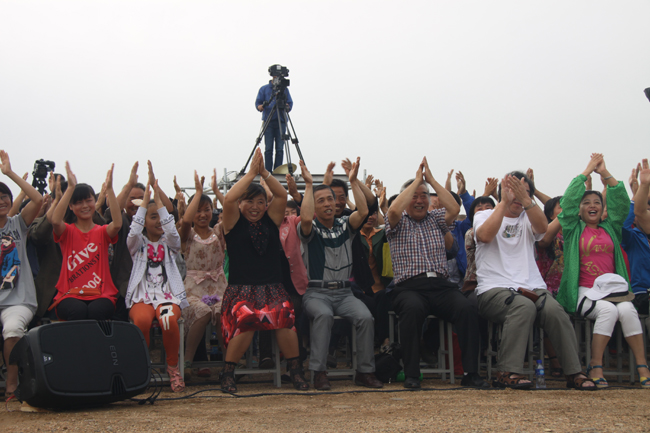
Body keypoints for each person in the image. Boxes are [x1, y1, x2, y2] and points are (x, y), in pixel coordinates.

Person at [474, 171, 595, 390]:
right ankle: (507, 371)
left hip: (532, 287)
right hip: (494, 289)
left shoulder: (528, 217)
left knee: (556, 311)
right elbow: (484, 236)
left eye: (525, 192)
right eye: (514, 191)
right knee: (522, 307)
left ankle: (574, 371)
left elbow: (542, 230)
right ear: (502, 193)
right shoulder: (485, 215)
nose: (520, 197)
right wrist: (504, 202)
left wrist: (527, 200)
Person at [386, 158, 488, 389]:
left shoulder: (436, 219)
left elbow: (454, 207)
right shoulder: (397, 222)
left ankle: (471, 373)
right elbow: (393, 209)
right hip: (409, 286)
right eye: (414, 196)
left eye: (424, 196)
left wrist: (429, 180)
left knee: (467, 309)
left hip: (441, 286)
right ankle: (412, 374)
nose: (420, 200)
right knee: (411, 310)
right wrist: (415, 183)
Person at [556, 154, 650, 389]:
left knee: (628, 310)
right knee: (608, 311)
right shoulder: (571, 228)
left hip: (614, 290)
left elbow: (619, 202)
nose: (592, 206)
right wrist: (587, 171)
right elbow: (566, 203)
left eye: (597, 202)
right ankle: (595, 365)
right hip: (584, 290)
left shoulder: (611, 228)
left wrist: (605, 173)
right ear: (579, 209)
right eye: (586, 202)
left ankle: (642, 366)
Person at [219, 148, 308, 392]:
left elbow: (280, 196)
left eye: (260, 202)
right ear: (241, 203)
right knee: (248, 317)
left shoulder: (271, 220)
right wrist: (250, 175)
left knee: (285, 317)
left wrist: (265, 173)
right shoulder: (232, 223)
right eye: (250, 201)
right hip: (240, 292)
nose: (256, 207)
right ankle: (228, 373)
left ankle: (295, 370)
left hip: (272, 288)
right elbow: (227, 199)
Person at [300, 157, 383, 390]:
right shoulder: (310, 227)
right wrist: (308, 186)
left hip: (345, 293)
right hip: (316, 293)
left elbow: (364, 210)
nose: (328, 203)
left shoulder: (345, 224)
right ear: (314, 205)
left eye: (331, 199)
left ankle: (365, 372)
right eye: (322, 200)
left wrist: (353, 181)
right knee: (324, 316)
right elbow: (305, 217)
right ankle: (319, 372)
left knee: (365, 317)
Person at [126, 180, 188, 392]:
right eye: (153, 217)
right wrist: (145, 202)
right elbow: (133, 232)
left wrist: (160, 204)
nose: (159, 222)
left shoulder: (171, 244)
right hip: (142, 297)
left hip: (167, 297)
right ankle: (142, 369)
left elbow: (172, 230)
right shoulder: (137, 244)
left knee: (169, 320)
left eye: (161, 217)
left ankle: (173, 368)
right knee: (141, 321)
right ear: (143, 221)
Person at [50, 162, 121, 321]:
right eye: (78, 202)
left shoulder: (102, 231)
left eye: (88, 201)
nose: (84, 206)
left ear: (94, 202)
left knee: (97, 311)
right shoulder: (67, 231)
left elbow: (117, 223)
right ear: (71, 206)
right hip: (69, 295)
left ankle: (97, 346)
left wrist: (110, 189)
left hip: (101, 293)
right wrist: (70, 188)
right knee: (77, 311)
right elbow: (55, 221)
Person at [0, 150, 43, 401]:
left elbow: (37, 200)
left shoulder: (17, 224)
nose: (2, 201)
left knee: (14, 329)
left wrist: (9, 173)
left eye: (4, 197)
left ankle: (11, 387)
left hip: (18, 300)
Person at [179, 171, 227, 376]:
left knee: (223, 311)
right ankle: (188, 361)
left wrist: (216, 190)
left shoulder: (219, 231)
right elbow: (186, 221)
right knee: (203, 311)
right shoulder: (186, 235)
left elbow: (233, 212)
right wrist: (198, 192)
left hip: (218, 286)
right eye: (197, 210)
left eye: (206, 210)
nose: (202, 214)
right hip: (193, 289)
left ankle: (229, 362)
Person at [255, 67, 293, 173]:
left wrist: (287, 107)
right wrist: (262, 106)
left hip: (281, 120)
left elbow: (290, 103)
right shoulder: (264, 89)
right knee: (269, 148)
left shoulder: (285, 90)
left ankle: (277, 170)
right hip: (269, 121)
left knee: (280, 148)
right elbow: (258, 104)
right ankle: (267, 171)